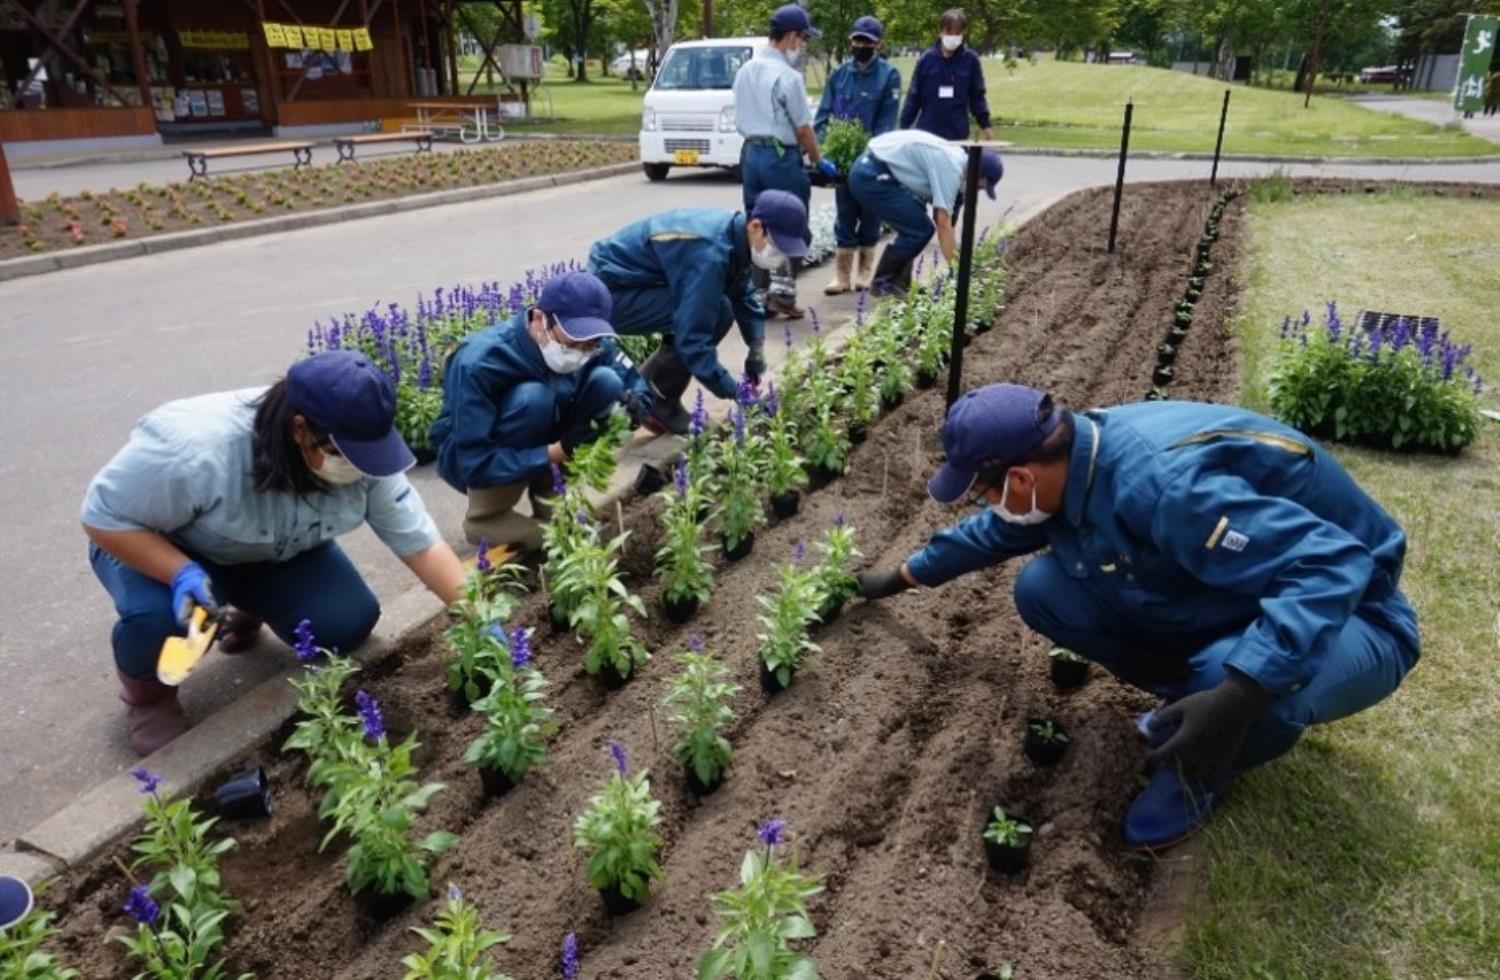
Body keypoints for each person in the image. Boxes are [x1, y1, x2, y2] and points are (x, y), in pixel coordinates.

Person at [856, 383, 1420, 851]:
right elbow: (999, 530)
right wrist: (904, 575)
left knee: (1256, 679)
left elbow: (1333, 564)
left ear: (1021, 478)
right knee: (1044, 589)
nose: (985, 503)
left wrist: (1238, 694)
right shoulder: (1075, 454)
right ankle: (1193, 693)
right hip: (1255, 587)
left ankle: (1204, 763)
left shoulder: (1162, 487)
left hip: (1358, 612)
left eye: (983, 490)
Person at [83, 351, 467, 755]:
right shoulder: (197, 448)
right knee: (161, 622)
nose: (359, 468)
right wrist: (180, 573)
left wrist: (477, 617)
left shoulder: (363, 455)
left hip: (270, 554)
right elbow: (102, 516)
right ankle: (149, 698)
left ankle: (247, 608)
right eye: (344, 455)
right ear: (300, 429)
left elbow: (422, 546)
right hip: (165, 551)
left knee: (345, 621)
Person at [429, 271, 652, 551]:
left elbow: (640, 391)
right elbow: (474, 462)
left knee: (608, 382)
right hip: (472, 460)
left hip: (548, 437)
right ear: (539, 320)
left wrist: (633, 408)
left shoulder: (594, 344)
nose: (582, 351)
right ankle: (487, 516)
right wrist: (558, 451)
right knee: (532, 398)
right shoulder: (479, 361)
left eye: (590, 344)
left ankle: (551, 495)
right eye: (572, 342)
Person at [587, 190, 809, 435]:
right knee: (710, 313)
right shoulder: (710, 253)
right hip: (608, 294)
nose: (778, 258)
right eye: (777, 246)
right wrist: (736, 392)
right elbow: (693, 339)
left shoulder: (735, 237)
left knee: (719, 307)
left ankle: (653, 389)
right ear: (756, 226)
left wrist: (756, 349)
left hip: (634, 283)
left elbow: (742, 294)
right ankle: (658, 399)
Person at [733, 3, 838, 318]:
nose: (803, 46)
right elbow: (803, 128)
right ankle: (783, 297)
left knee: (758, 226)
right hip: (781, 158)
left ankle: (759, 297)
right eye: (803, 39)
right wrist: (819, 161)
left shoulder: (745, 70)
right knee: (792, 226)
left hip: (751, 156)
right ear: (791, 36)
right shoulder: (788, 77)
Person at [846, 128, 1002, 293]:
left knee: (915, 223)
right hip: (870, 175)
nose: (977, 190)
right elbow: (943, 224)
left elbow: (949, 222)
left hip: (878, 169)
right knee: (918, 229)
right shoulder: (950, 169)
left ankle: (899, 284)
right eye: (980, 186)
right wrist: (958, 272)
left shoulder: (958, 161)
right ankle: (883, 283)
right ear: (976, 173)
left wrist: (961, 260)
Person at [814, 14, 903, 294]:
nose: (860, 45)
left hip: (872, 161)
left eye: (867, 41)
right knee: (845, 214)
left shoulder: (889, 76)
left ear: (878, 44)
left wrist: (871, 156)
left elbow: (887, 122)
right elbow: (823, 116)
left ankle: (865, 272)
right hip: (842, 162)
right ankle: (841, 276)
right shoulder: (839, 75)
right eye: (856, 40)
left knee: (870, 215)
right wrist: (822, 150)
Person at [900, 8, 993, 142]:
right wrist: (903, 127)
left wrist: (985, 125)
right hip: (927, 133)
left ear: (963, 33)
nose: (953, 36)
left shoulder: (971, 61)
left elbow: (977, 97)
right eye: (949, 31)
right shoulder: (926, 60)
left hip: (957, 134)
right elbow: (913, 97)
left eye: (957, 33)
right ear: (940, 31)